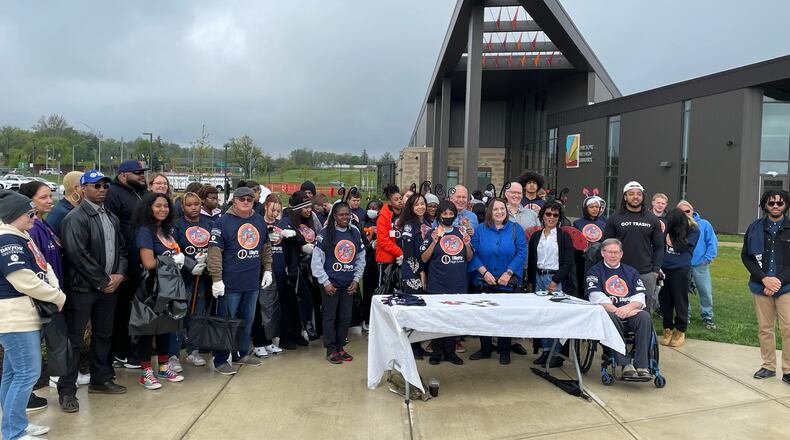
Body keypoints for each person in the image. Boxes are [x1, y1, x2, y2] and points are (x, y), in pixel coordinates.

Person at [58, 170, 128, 413]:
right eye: (96, 185)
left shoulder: (111, 216)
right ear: (82, 189)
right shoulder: (75, 218)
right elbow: (77, 254)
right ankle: (67, 391)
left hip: (108, 289)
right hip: (83, 289)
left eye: (105, 185)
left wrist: (119, 276)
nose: (102, 189)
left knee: (104, 335)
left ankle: (100, 380)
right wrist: (102, 280)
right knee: (75, 340)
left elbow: (121, 249)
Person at [0, 190, 66, 440]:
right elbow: (23, 279)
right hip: (15, 319)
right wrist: (56, 296)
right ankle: (13, 433)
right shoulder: (7, 240)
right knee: (27, 373)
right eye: (30, 213)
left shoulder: (21, 235)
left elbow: (44, 266)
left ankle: (15, 425)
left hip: (24, 317)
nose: (35, 217)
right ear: (13, 215)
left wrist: (54, 287)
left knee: (12, 374)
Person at [19, 181, 89, 396]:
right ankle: (50, 379)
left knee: (56, 336)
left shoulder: (43, 223)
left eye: (50, 196)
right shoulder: (31, 229)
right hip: (43, 297)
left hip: (55, 292)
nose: (50, 200)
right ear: (29, 201)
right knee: (42, 340)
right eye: (44, 197)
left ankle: (59, 374)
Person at [207, 186, 273, 375]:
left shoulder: (259, 221)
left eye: (249, 199)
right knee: (225, 322)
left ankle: (240, 353)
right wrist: (216, 279)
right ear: (234, 200)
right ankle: (220, 360)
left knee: (247, 321)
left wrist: (267, 269)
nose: (246, 202)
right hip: (230, 284)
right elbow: (214, 253)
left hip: (251, 283)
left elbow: (265, 247)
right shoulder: (222, 222)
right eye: (242, 199)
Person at [133, 192, 187, 389]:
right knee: (149, 329)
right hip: (150, 287)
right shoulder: (145, 230)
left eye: (166, 206)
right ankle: (146, 371)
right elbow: (148, 262)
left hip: (168, 286)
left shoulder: (165, 230)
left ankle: (164, 366)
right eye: (158, 206)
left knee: (166, 325)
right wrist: (172, 261)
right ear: (149, 208)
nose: (162, 209)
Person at [468, 198, 527, 365]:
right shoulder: (480, 229)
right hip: (483, 280)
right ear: (489, 212)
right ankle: (485, 348)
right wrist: (484, 272)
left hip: (507, 282)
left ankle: (504, 350)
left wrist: (508, 273)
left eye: (502, 208)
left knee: (505, 317)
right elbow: (472, 253)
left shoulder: (516, 229)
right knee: (483, 316)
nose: (499, 212)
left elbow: (522, 252)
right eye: (495, 209)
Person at [104, 159, 149, 370]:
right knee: (121, 309)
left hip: (143, 258)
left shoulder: (140, 192)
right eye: (137, 172)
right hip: (124, 261)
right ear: (123, 175)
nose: (142, 175)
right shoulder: (113, 193)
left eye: (143, 172)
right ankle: (120, 352)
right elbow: (110, 227)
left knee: (137, 307)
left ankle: (132, 349)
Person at [586, 238, 653, 378]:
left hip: (629, 311)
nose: (613, 255)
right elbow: (595, 296)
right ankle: (625, 363)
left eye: (616, 252)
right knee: (610, 316)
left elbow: (640, 297)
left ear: (621, 254)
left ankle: (642, 365)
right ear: (603, 253)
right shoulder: (595, 271)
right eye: (609, 252)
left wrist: (627, 308)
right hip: (608, 314)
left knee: (645, 316)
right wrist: (618, 311)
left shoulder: (631, 271)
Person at [742, 189, 790, 383]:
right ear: (765, 205)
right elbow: (746, 256)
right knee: (765, 328)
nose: (776, 206)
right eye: (771, 203)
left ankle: (788, 370)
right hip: (760, 286)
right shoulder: (755, 227)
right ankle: (768, 366)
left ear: (786, 205)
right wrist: (764, 279)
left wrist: (777, 281)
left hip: (786, 287)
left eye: (780, 203)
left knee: (788, 329)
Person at [311, 202, 366, 364]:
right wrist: (325, 282)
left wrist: (356, 279)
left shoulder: (355, 232)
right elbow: (316, 261)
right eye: (341, 214)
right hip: (330, 285)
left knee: (345, 317)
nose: (345, 217)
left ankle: (341, 346)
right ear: (334, 216)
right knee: (330, 316)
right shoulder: (325, 233)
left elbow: (360, 258)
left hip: (348, 285)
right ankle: (331, 348)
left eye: (347, 214)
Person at [420, 200, 472, 366]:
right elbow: (423, 258)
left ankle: (450, 351)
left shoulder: (460, 232)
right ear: (439, 216)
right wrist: (434, 242)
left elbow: (469, 257)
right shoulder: (432, 233)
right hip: (438, 282)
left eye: (451, 214)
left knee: (453, 318)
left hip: (457, 283)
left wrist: (467, 244)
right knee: (437, 318)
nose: (448, 217)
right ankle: (436, 351)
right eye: (445, 214)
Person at [603, 181, 664, 314]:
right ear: (625, 197)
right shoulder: (614, 218)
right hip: (618, 272)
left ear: (643, 197)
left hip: (645, 273)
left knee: (644, 311)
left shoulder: (652, 219)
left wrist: (655, 271)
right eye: (631, 194)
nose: (635, 197)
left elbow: (659, 247)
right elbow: (605, 245)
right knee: (618, 310)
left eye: (638, 194)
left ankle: (644, 335)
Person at [527, 200, 575, 367]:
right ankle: (546, 350)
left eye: (555, 215)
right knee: (542, 316)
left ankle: (556, 354)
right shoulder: (535, 236)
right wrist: (531, 282)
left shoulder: (563, 237)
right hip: (538, 277)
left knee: (555, 316)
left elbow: (568, 263)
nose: (552, 217)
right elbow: (532, 260)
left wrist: (555, 281)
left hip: (555, 278)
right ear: (542, 216)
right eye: (548, 214)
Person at [172, 191, 212, 367]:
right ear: (183, 207)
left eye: (196, 204)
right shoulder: (177, 225)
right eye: (189, 205)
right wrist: (188, 264)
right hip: (182, 279)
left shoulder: (210, 224)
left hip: (202, 278)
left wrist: (208, 258)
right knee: (179, 316)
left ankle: (193, 351)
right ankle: (173, 355)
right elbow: (172, 248)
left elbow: (217, 246)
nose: (193, 208)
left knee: (198, 315)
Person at [279, 191, 319, 346]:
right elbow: (292, 239)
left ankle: (298, 333)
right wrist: (301, 245)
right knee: (289, 303)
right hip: (291, 268)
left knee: (304, 303)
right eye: (305, 207)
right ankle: (286, 336)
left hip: (307, 268)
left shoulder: (308, 221)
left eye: (310, 207)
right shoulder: (286, 221)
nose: (309, 210)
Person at [395, 193, 431, 359]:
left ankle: (418, 346)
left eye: (423, 203)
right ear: (410, 207)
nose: (421, 207)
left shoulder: (427, 223)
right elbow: (408, 253)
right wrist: (420, 271)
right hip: (413, 273)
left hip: (426, 271)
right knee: (413, 312)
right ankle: (410, 347)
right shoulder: (409, 226)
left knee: (422, 313)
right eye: (416, 204)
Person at [251, 195, 287, 358]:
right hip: (262, 270)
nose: (275, 214)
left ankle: (269, 340)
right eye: (273, 210)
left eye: (278, 211)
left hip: (279, 270)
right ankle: (259, 342)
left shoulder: (281, 223)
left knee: (273, 309)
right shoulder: (258, 222)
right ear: (265, 207)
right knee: (260, 308)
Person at [658, 208, 699, 348]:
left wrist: (672, 240)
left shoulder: (693, 230)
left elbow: (681, 247)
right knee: (665, 300)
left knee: (680, 300)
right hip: (664, 268)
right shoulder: (665, 228)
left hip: (680, 269)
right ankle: (667, 328)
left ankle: (680, 330)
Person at [678, 200, 718, 330]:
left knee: (705, 291)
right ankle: (685, 315)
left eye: (687, 211)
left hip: (700, 265)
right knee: (683, 291)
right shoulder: (677, 226)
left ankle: (707, 317)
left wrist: (707, 258)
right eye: (681, 212)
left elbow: (712, 242)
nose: (685, 214)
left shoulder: (704, 224)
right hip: (682, 265)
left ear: (692, 210)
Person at [360, 200, 383, 330]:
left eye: (375, 208)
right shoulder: (363, 224)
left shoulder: (382, 223)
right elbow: (360, 243)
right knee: (368, 291)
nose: (372, 210)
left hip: (380, 262)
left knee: (379, 291)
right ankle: (366, 319)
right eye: (370, 207)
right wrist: (370, 245)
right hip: (368, 261)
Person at [375, 184, 404, 268]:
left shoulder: (406, 214)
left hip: (404, 257)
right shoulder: (383, 217)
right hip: (387, 260)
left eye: (401, 199)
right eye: (396, 199)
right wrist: (400, 252)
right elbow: (383, 241)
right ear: (390, 201)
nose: (399, 201)